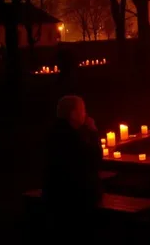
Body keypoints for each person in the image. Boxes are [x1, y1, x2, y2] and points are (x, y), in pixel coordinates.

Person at [42, 96, 102, 235]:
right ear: (73, 114)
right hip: (73, 197)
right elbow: (95, 160)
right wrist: (93, 131)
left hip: (53, 192)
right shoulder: (71, 137)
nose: (85, 114)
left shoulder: (54, 132)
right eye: (83, 111)